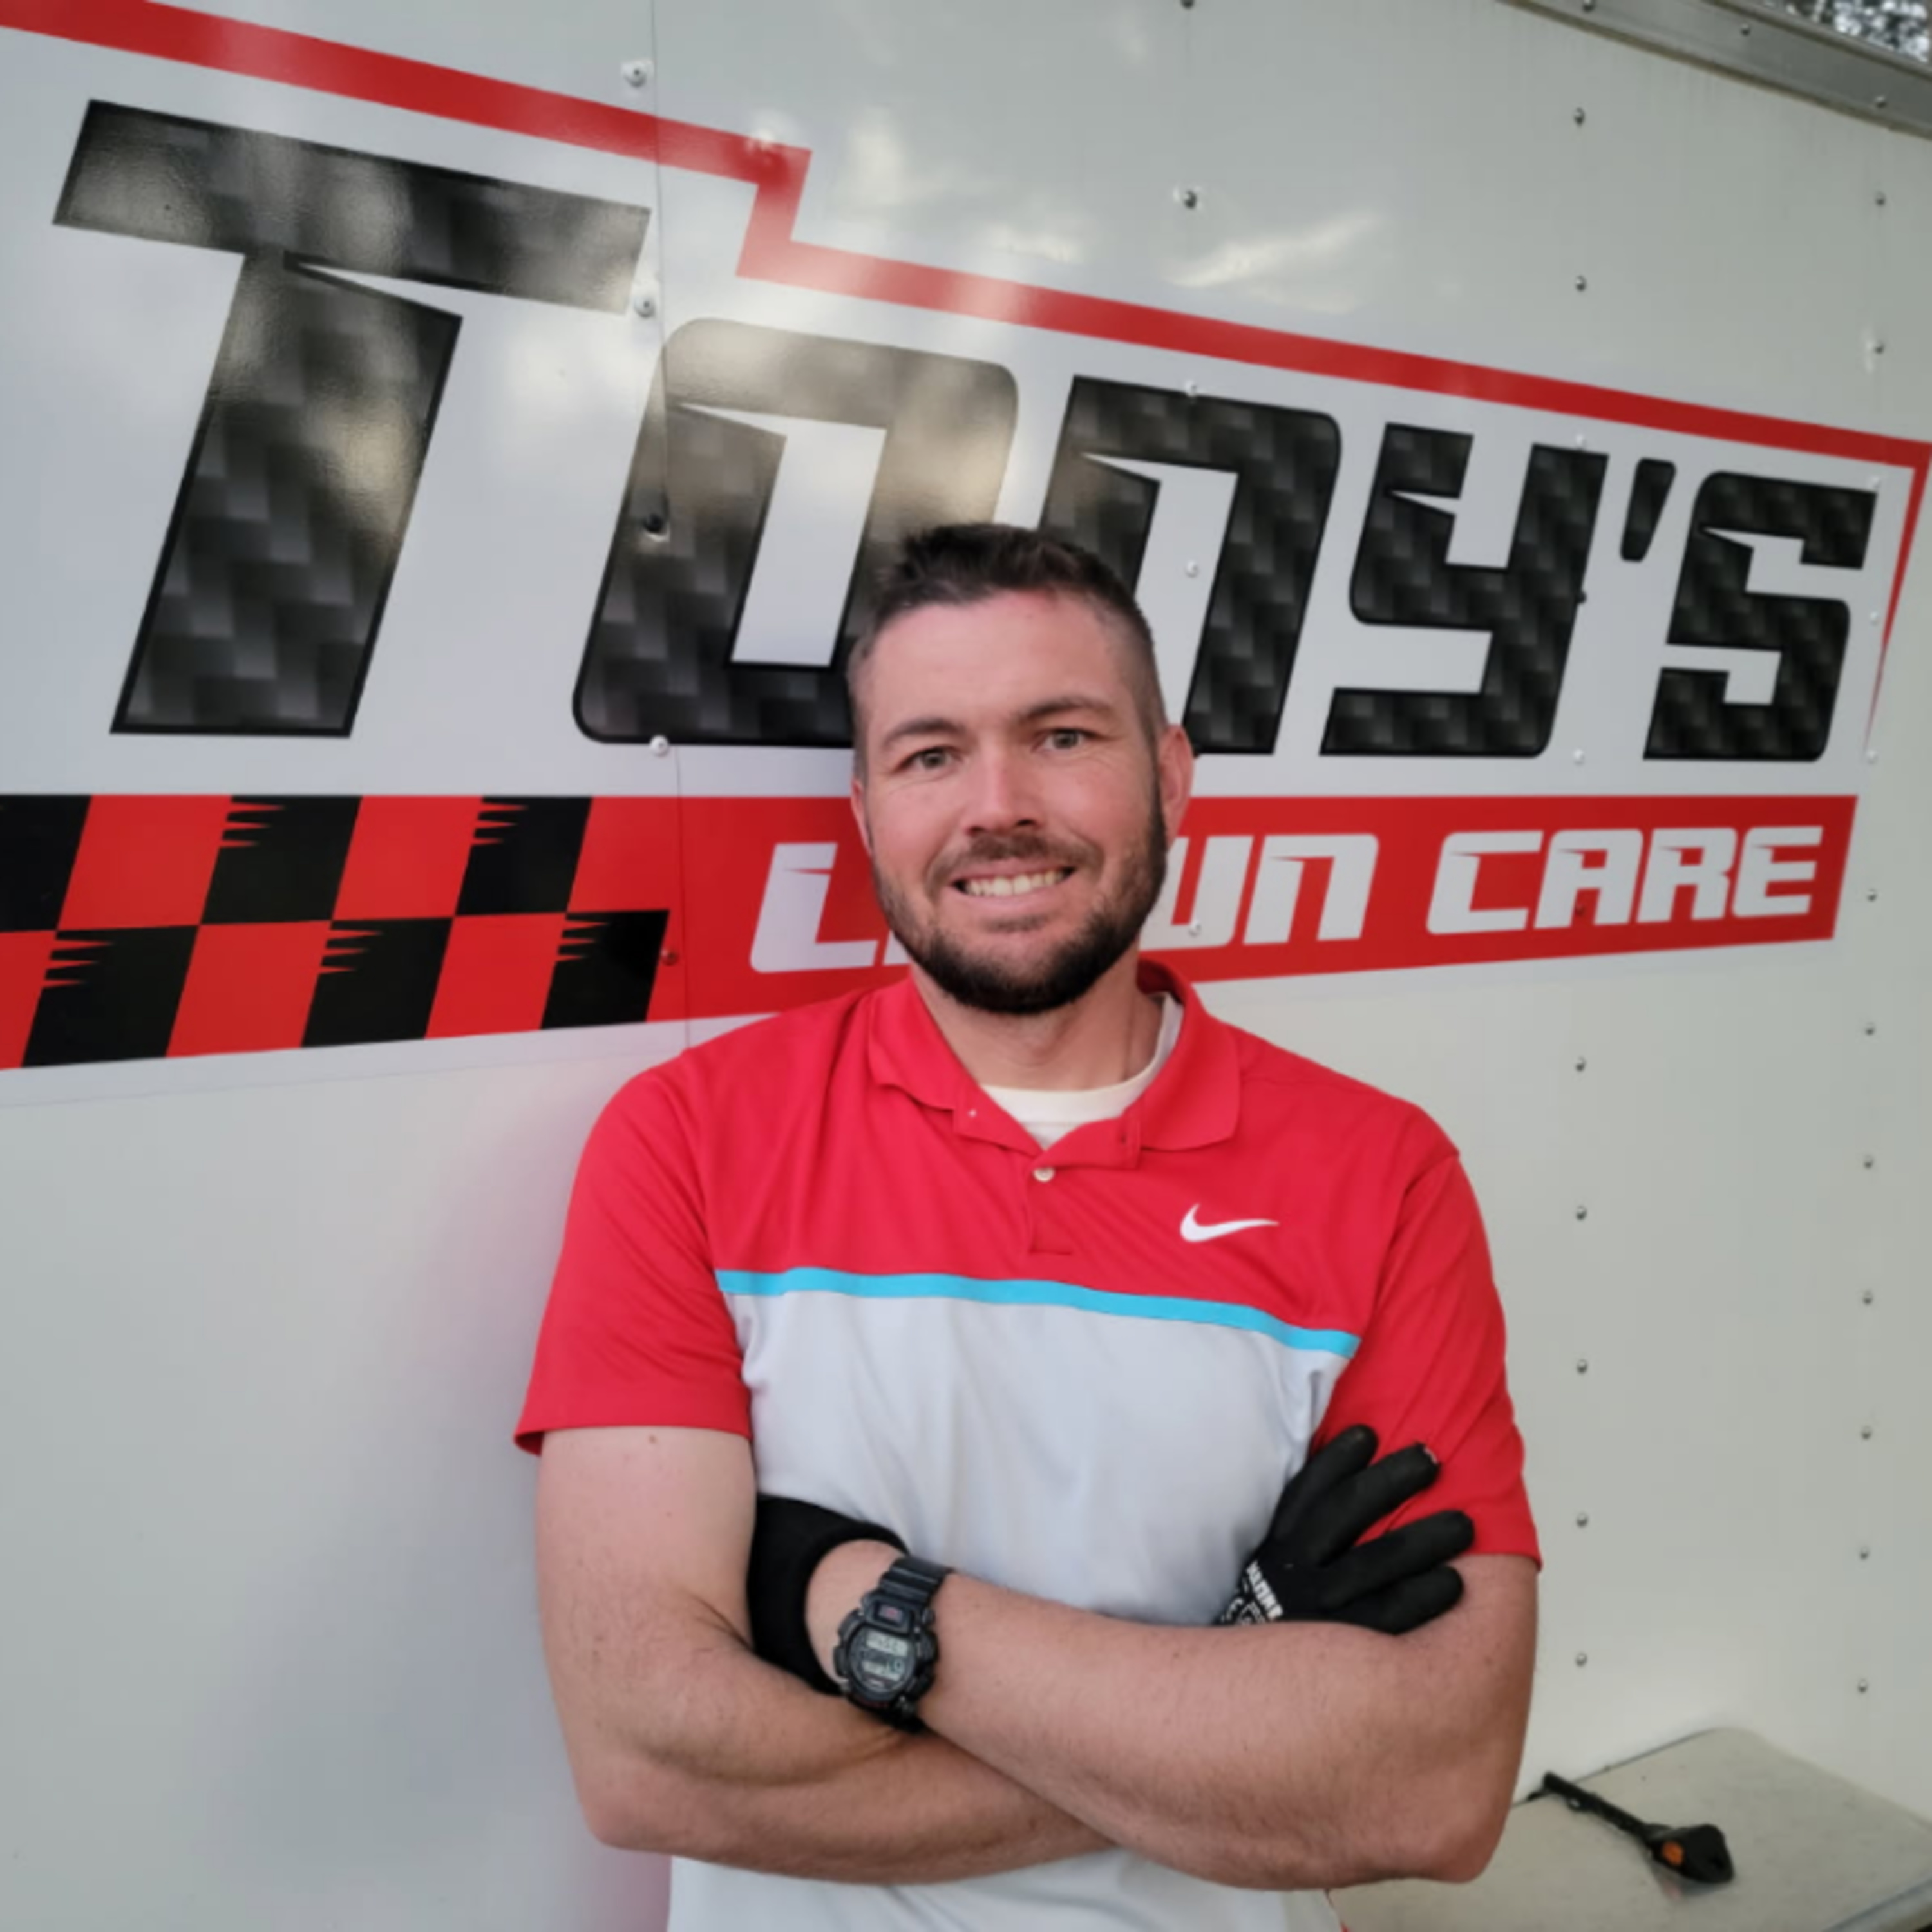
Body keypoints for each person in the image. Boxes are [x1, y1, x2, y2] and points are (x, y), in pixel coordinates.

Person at [515, 524, 1540, 1931]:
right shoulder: (689, 1139)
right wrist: (1235, 1712)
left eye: (1062, 737)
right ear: (867, 810)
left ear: (1170, 775)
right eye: (930, 755)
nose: (996, 807)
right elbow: (646, 1759)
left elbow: (1435, 1790)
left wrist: (858, 1598)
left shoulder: (1384, 1176)